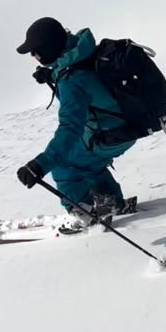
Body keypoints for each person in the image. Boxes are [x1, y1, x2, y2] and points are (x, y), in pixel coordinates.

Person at [15, 17, 136, 229]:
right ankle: (111, 203)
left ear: (49, 48)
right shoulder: (82, 51)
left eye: (35, 51)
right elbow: (81, 70)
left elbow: (70, 129)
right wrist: (52, 73)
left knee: (65, 164)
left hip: (111, 132)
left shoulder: (72, 81)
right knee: (87, 159)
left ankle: (85, 214)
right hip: (127, 124)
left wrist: (40, 165)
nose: (33, 56)